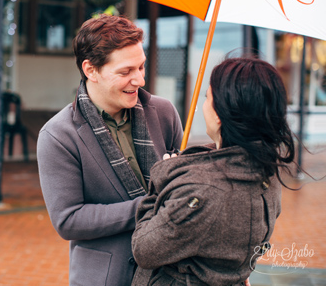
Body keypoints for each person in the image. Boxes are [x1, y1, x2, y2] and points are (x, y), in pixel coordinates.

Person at [38, 15, 183, 286]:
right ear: (90, 70)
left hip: (172, 273)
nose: (139, 79)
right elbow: (68, 220)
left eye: (141, 67)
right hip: (108, 278)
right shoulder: (57, 135)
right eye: (126, 72)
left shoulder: (164, 113)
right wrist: (148, 205)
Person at [131, 56, 295, 285]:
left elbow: (144, 249)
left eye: (207, 97)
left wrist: (164, 180)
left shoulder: (200, 192)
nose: (202, 105)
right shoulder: (269, 174)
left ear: (219, 115)